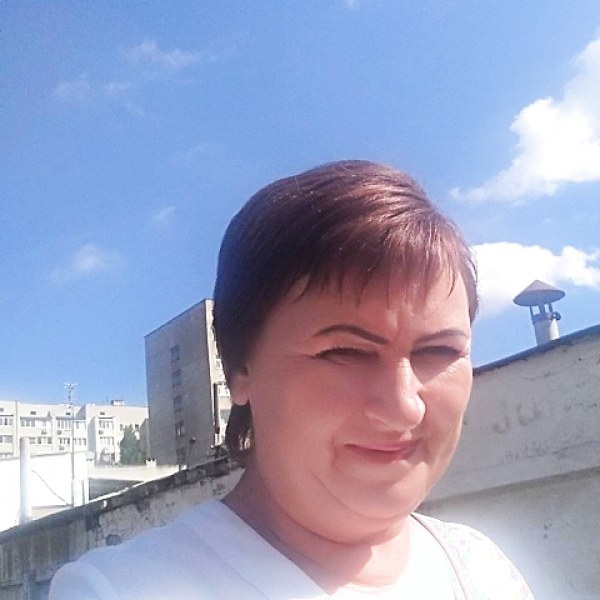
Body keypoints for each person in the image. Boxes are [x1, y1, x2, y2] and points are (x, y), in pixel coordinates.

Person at [50, 160, 534, 599]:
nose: (404, 406)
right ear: (240, 369)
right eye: (345, 352)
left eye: (439, 351)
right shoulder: (122, 589)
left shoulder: (484, 569)